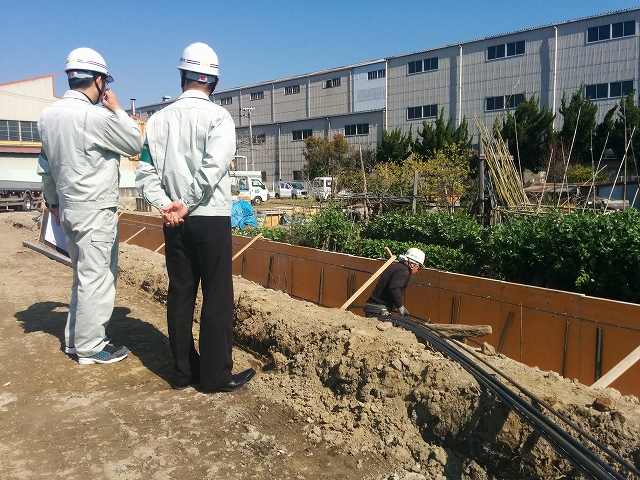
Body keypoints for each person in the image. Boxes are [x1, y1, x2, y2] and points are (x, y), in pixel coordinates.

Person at [135, 42, 255, 392]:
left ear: (181, 76)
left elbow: (145, 172)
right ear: (214, 82)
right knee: (217, 294)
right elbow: (213, 168)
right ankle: (216, 376)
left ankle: (183, 372)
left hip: (174, 221)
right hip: (209, 217)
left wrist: (167, 205)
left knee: (181, 292)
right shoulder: (219, 118)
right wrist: (186, 203)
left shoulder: (157, 121)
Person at [37, 47, 143, 364]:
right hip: (95, 211)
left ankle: (74, 340)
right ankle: (90, 347)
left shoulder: (48, 116)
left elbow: (45, 167)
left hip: (68, 208)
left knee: (82, 277)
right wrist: (118, 110)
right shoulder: (95, 116)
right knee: (97, 279)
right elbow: (134, 142)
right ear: (98, 80)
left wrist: (53, 202)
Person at [364, 248, 425, 318]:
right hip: (379, 310)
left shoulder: (395, 267)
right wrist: (400, 307)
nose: (418, 271)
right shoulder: (404, 271)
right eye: (418, 267)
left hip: (373, 308)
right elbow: (394, 288)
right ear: (412, 264)